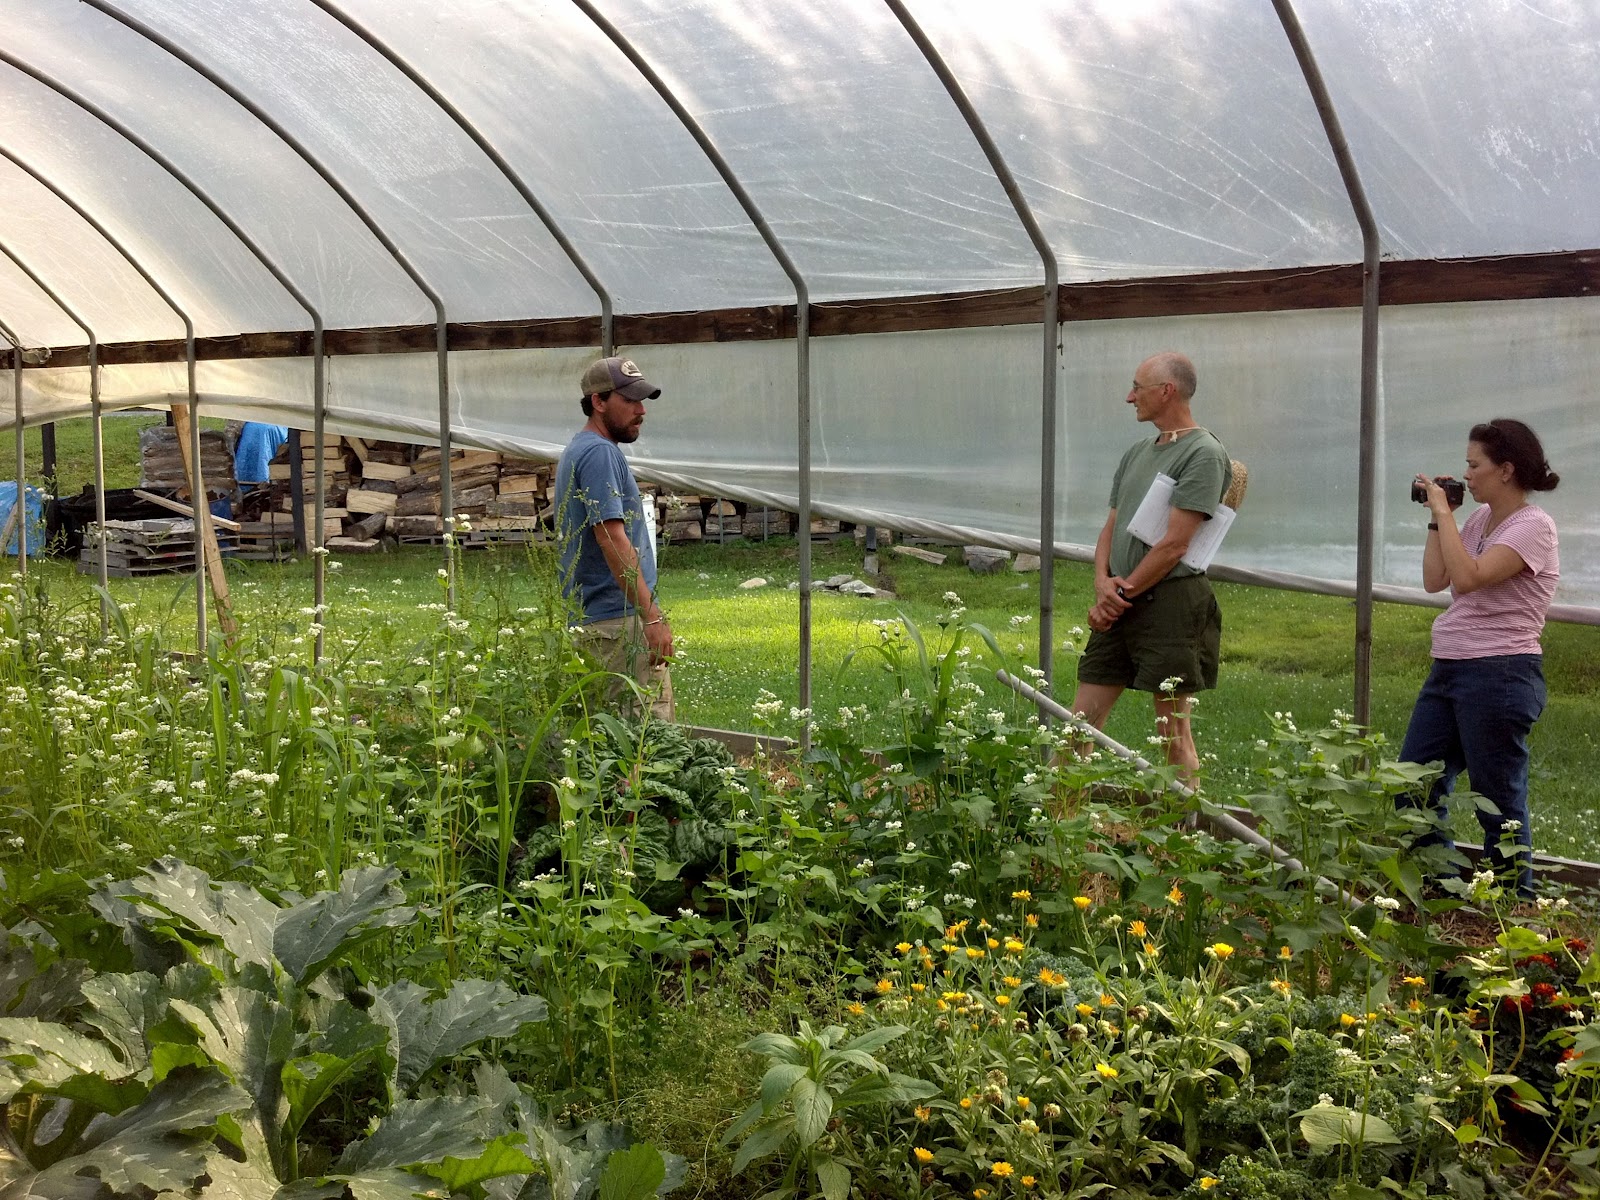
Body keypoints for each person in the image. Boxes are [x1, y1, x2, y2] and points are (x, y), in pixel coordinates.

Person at [1401, 419, 1560, 897]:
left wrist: (1443, 512)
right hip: (1449, 667)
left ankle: (1512, 901)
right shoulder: (1475, 521)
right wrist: (1440, 519)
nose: (1466, 476)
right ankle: (1444, 888)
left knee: (1498, 800)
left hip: (1500, 672)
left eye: (1475, 466)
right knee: (1413, 784)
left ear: (1505, 470)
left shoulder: (1533, 526)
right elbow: (1436, 580)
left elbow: (1469, 578)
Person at [1070, 352, 1232, 786]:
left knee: (1172, 735)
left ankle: (1184, 823)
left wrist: (1118, 596)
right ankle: (1058, 818)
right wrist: (1102, 584)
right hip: (1119, 603)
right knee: (1078, 724)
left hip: (1168, 605)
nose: (1130, 397)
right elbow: (1112, 525)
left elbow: (1175, 543)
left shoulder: (1203, 453)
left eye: (1137, 388)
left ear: (1166, 391)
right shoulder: (1137, 453)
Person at [555, 356, 674, 721]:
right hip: (617, 625)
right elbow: (611, 538)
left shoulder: (580, 449)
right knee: (648, 740)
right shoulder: (599, 453)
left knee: (604, 739)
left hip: (596, 623)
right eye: (630, 400)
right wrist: (651, 618)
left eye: (642, 400)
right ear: (599, 401)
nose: (641, 410)